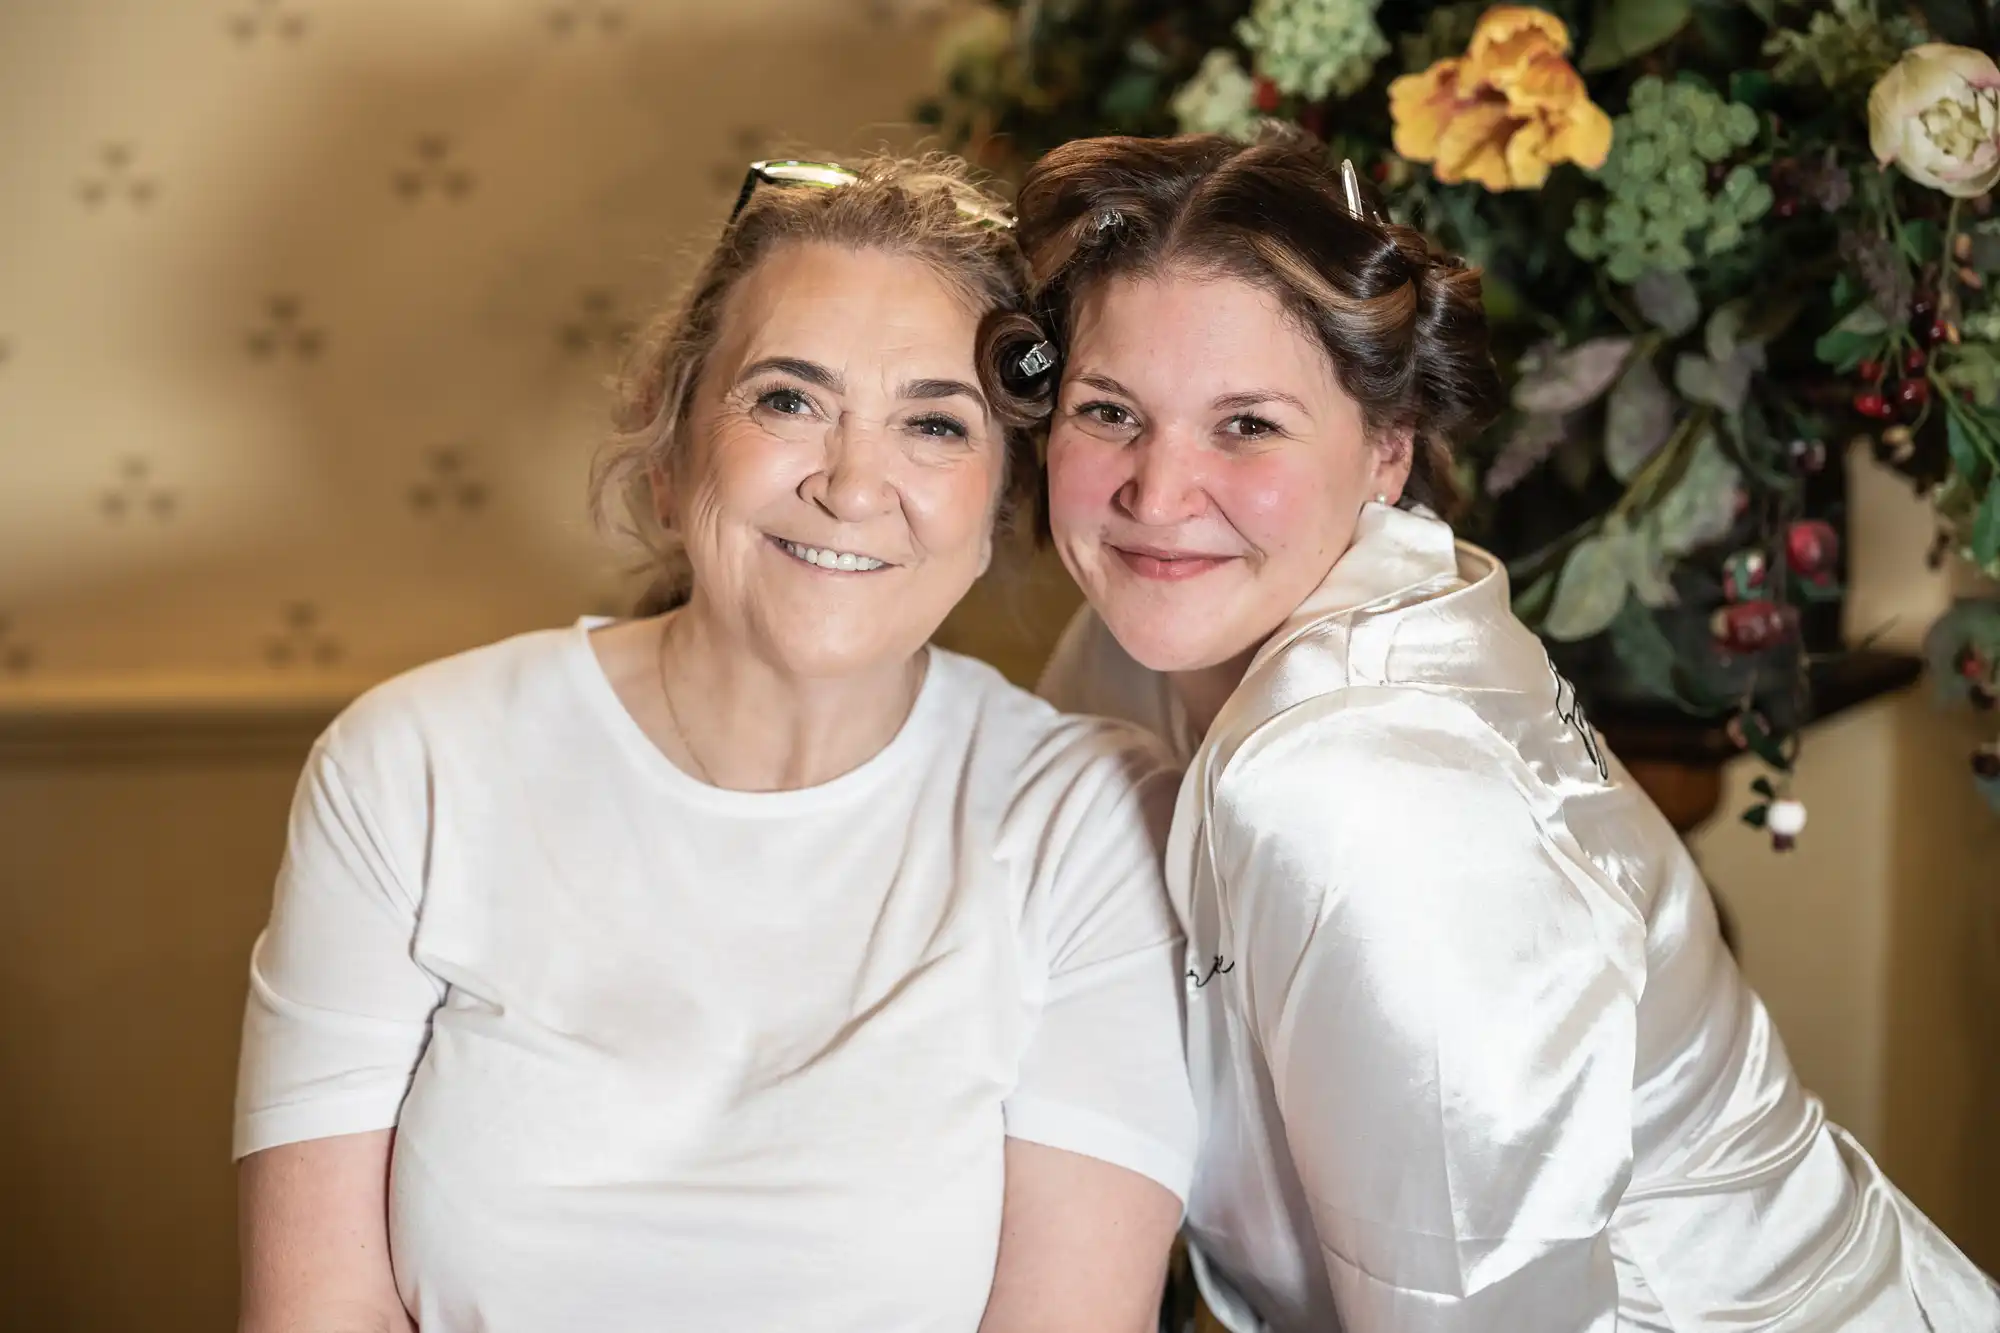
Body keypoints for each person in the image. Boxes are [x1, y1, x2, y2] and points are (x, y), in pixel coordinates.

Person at [1005, 129, 2000, 1332]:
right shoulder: (1132, 644)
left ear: (1385, 451)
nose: (1155, 496)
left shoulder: (1357, 784)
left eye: (1246, 425)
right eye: (1107, 410)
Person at [232, 153, 1197, 1333]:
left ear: (1002, 499)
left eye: (934, 424)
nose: (852, 483)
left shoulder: (1089, 818)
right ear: (673, 441)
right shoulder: (413, 766)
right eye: (788, 399)